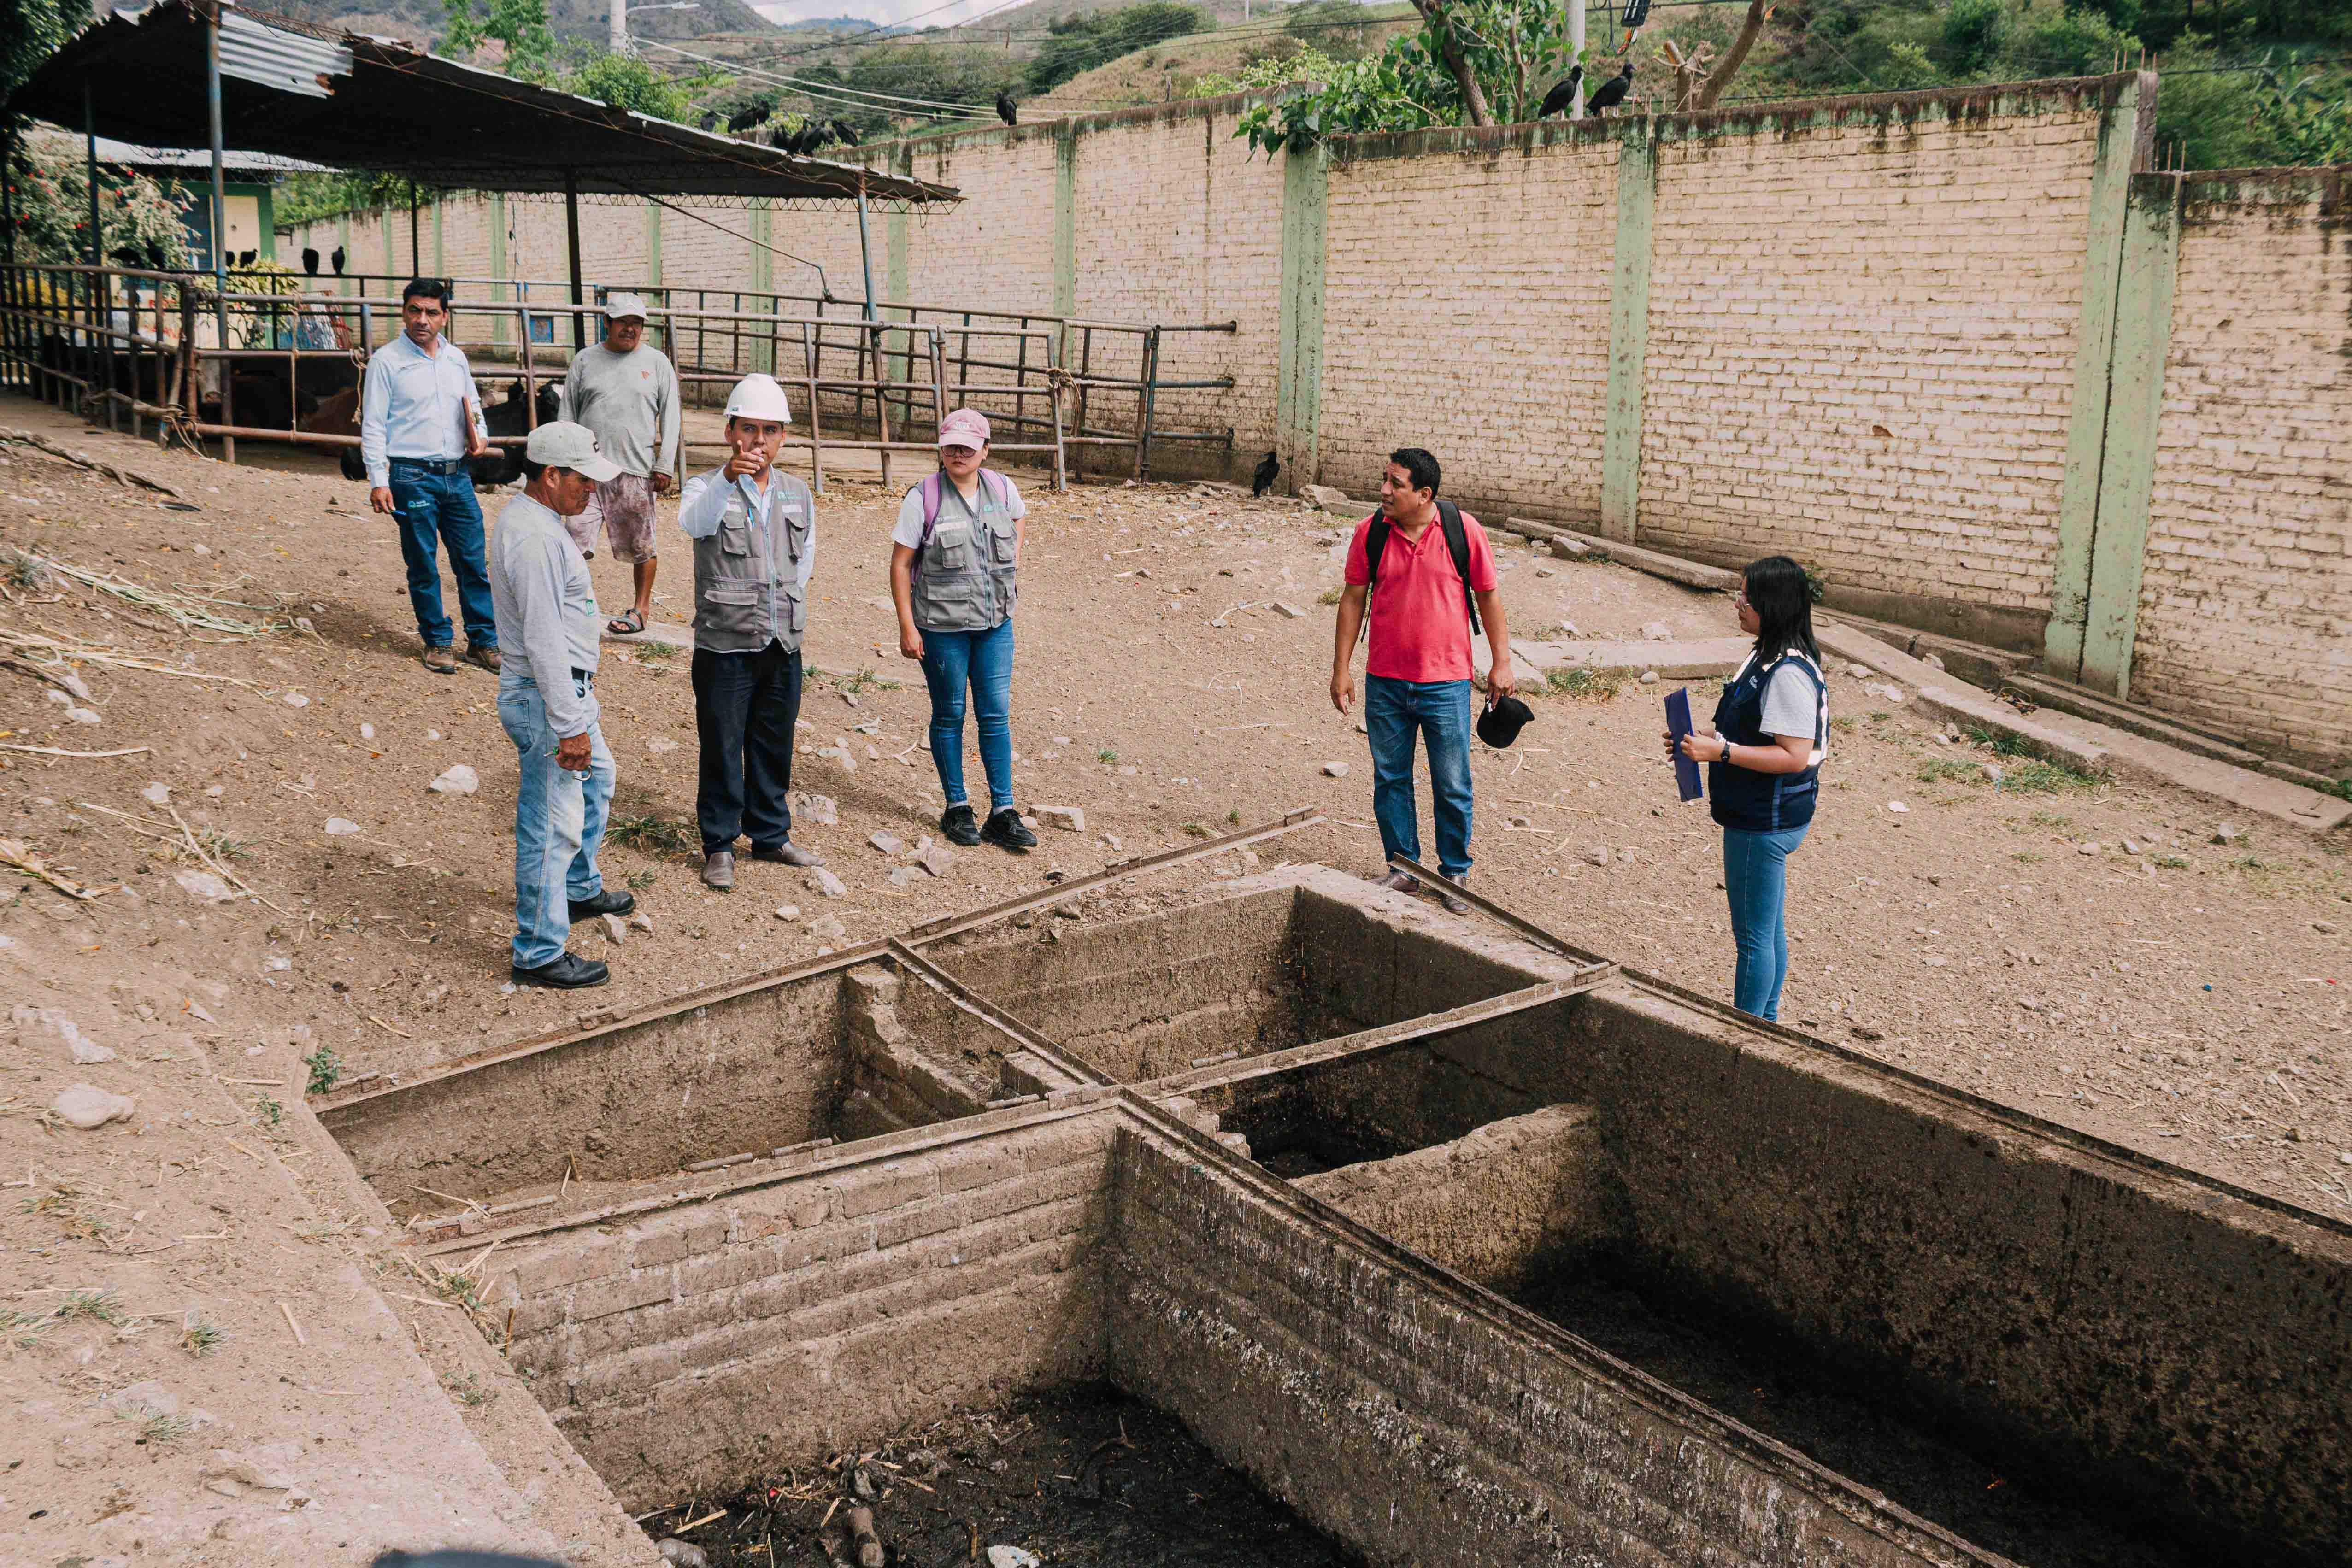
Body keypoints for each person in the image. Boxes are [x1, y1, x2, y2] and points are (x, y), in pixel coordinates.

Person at [1328, 446, 1515, 912]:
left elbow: (1489, 598)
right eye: (1384, 480)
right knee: (1390, 778)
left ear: (1424, 494)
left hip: (1446, 683)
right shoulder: (1370, 533)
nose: (1384, 491)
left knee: (1452, 782)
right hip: (1385, 682)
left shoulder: (1461, 531)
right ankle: (1404, 869)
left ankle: (1454, 873)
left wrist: (1501, 662)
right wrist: (1341, 668)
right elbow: (1352, 599)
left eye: (1396, 484)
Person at [487, 422, 632, 990]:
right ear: (551, 475)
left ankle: (578, 889)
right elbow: (544, 637)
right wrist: (568, 723)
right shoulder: (535, 539)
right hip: (549, 696)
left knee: (598, 779)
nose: (590, 490)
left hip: (563, 692)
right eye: (582, 480)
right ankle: (539, 950)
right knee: (550, 826)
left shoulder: (539, 524)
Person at [677, 374, 827, 891]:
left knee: (773, 740)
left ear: (783, 436)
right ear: (729, 432)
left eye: (769, 430)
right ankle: (719, 844)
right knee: (721, 742)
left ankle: (770, 834)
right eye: (748, 429)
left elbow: (802, 559)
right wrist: (725, 478)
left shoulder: (797, 493)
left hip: (782, 640)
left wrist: (780, 604)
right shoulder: (705, 486)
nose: (758, 441)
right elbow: (694, 526)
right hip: (725, 641)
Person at [1666, 555, 1829, 1022]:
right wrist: (1701, 743)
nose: (1737, 604)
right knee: (1768, 928)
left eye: (1746, 597)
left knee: (1753, 940)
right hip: (1764, 814)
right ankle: (1768, 1024)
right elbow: (1753, 731)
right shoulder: (1766, 657)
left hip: (1764, 820)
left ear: (1772, 606)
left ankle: (1743, 1035)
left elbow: (1793, 755)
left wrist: (1721, 754)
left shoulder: (1788, 675)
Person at [888, 409, 1036, 853]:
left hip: (995, 626)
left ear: (985, 451)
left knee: (995, 715)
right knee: (950, 714)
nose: (958, 454)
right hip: (942, 629)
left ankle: (1003, 812)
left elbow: (1019, 524)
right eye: (951, 446)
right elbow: (900, 565)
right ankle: (957, 806)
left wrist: (1007, 572)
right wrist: (906, 626)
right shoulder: (924, 497)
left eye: (968, 448)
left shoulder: (1003, 488)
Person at [361, 277, 499, 675]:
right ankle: (437, 640)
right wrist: (379, 478)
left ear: (445, 316)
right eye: (414, 311)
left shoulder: (456, 359)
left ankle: (482, 642)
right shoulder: (387, 361)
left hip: (457, 475)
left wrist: (481, 434)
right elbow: (373, 424)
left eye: (431, 312)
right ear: (404, 312)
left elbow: (471, 403)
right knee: (422, 561)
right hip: (411, 475)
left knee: (473, 560)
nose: (422, 320)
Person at [561, 293, 679, 637]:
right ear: (607, 323)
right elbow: (567, 412)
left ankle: (641, 609)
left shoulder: (657, 364)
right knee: (572, 541)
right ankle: (571, 606)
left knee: (642, 545)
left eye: (637, 323)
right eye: (623, 322)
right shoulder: (585, 361)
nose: (630, 328)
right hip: (586, 472)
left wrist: (665, 463)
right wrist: (565, 461)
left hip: (635, 470)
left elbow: (671, 417)